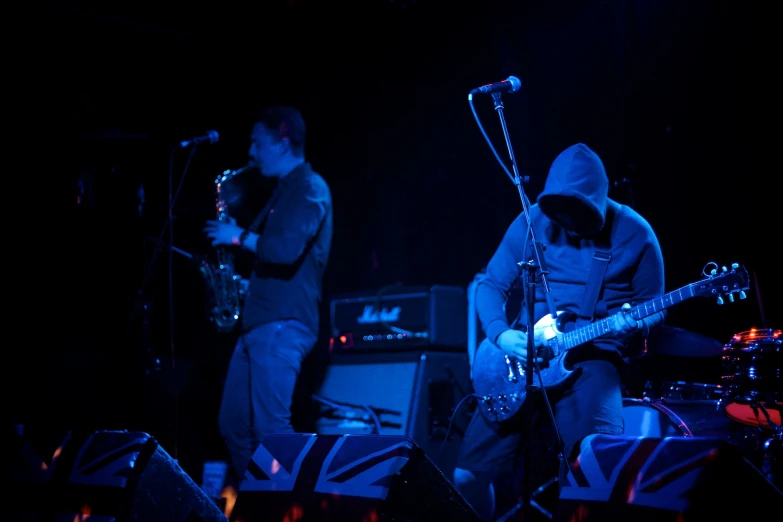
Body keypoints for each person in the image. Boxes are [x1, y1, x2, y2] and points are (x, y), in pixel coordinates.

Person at [453, 143, 666, 522]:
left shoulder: (636, 233)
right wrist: (502, 335)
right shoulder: (532, 221)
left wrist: (636, 321)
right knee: (466, 476)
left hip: (593, 358)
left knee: (593, 470)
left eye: (578, 213)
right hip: (524, 356)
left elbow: (656, 307)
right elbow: (490, 285)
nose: (567, 224)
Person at [203, 105, 333, 480]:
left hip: (283, 324)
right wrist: (244, 285)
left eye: (257, 142)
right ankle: (262, 502)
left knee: (273, 433)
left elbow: (285, 249)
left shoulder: (310, 188)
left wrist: (238, 236)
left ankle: (291, 509)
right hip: (261, 323)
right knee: (233, 426)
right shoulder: (283, 193)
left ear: (283, 140)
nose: (251, 152)